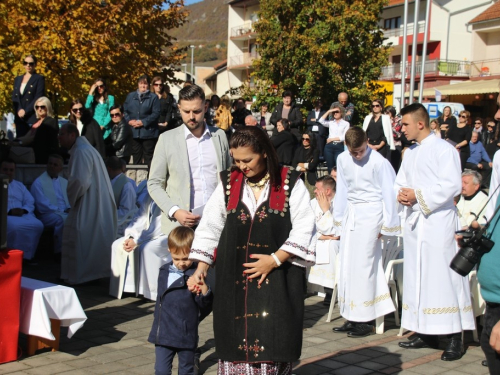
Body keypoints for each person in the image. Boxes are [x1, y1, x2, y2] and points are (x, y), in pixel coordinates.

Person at [189, 126, 316, 374]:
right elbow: (210, 227)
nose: (242, 166)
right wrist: (200, 269)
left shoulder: (291, 182)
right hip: (233, 281)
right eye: (236, 160)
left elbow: (304, 228)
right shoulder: (229, 182)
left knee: (273, 344)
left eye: (248, 160)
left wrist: (274, 260)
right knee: (234, 345)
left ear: (265, 153)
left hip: (277, 281)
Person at [395, 103, 474, 361]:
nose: (401, 128)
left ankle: (453, 337)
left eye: (405, 124)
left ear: (420, 124)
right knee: (419, 277)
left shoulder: (445, 150)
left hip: (438, 222)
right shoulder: (412, 153)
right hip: (417, 224)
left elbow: (451, 186)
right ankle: (424, 330)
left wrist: (417, 195)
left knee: (442, 277)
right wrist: (402, 194)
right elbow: (400, 181)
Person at [331, 127, 400, 337]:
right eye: (353, 152)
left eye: (360, 151)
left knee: (364, 266)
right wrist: (339, 218)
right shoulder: (343, 159)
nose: (357, 156)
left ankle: (366, 319)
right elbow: (342, 188)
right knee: (347, 265)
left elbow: (390, 193)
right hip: (352, 214)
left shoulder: (380, 162)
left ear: (367, 141)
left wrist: (387, 225)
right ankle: (351, 315)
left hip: (372, 215)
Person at [148, 84, 231, 236]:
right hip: (180, 226)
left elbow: (229, 177)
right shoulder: (167, 139)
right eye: (186, 111)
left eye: (197, 111)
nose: (191, 116)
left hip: (216, 222)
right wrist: (174, 211)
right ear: (179, 108)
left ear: (206, 107)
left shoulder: (219, 136)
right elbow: (154, 183)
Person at [148, 226, 213, 375]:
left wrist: (203, 289)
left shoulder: (196, 274)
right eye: (176, 258)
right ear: (169, 250)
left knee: (186, 370)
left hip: (186, 334)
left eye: (186, 258)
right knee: (161, 370)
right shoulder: (164, 271)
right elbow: (160, 301)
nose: (181, 263)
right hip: (163, 333)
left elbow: (205, 304)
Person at [58, 124, 117, 284]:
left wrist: (71, 197)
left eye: (62, 134)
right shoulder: (85, 149)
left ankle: (82, 275)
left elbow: (79, 180)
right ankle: (93, 273)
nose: (59, 137)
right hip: (94, 199)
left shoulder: (81, 151)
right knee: (92, 236)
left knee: (82, 236)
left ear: (72, 135)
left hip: (88, 201)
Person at [110, 189, 169, 300]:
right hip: (147, 233)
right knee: (117, 244)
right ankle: (128, 287)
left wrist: (138, 240)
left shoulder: (171, 193)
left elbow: (160, 224)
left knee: (146, 249)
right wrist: (132, 235)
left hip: (166, 232)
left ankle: (149, 290)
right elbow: (140, 217)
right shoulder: (150, 193)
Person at [2, 160, 44, 261]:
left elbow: (29, 200)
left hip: (23, 214)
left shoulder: (19, 185)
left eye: (11, 170)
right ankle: (12, 257)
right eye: (5, 169)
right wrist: (9, 211)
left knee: (38, 225)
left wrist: (24, 210)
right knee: (15, 227)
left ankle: (28, 256)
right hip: (5, 215)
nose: (8, 172)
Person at [308, 175, 339, 305]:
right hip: (317, 238)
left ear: (327, 191)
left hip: (338, 242)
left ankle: (331, 290)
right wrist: (323, 236)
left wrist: (326, 210)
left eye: (317, 188)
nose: (314, 191)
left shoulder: (340, 202)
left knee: (331, 245)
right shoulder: (313, 203)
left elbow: (336, 232)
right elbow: (309, 227)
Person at [30, 154, 71, 255]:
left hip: (65, 212)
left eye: (55, 164)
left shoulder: (65, 182)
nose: (52, 166)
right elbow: (41, 204)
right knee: (61, 220)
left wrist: (70, 208)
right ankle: (59, 251)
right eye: (50, 163)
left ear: (61, 168)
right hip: (47, 214)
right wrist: (61, 210)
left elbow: (71, 199)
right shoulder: (38, 183)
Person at [124, 75, 161, 165]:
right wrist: (129, 121)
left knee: (149, 158)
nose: (143, 86)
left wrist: (143, 122)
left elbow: (156, 113)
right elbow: (124, 111)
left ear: (148, 85)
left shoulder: (153, 97)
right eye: (141, 84)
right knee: (136, 158)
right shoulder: (130, 96)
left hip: (149, 133)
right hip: (134, 133)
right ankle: (137, 178)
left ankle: (149, 178)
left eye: (145, 84)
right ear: (138, 84)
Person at [11, 96, 59, 164]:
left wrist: (19, 143)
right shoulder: (36, 122)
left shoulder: (50, 121)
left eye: (42, 107)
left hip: (44, 158)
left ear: (48, 107)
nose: (39, 109)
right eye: (37, 107)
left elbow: (33, 138)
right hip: (33, 156)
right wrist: (14, 142)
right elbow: (27, 137)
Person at [12, 54, 45, 138]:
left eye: (31, 63)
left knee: (30, 143)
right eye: (26, 63)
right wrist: (19, 109)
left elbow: (38, 97)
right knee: (20, 144)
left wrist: (26, 111)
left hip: (31, 117)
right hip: (19, 118)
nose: (28, 65)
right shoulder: (18, 79)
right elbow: (15, 97)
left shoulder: (39, 79)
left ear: (35, 65)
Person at [106, 156, 137, 238]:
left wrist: (105, 213)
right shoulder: (110, 181)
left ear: (108, 169)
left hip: (120, 224)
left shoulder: (127, 185)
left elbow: (126, 211)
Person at [319, 104, 349, 173]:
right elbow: (321, 121)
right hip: (329, 146)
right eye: (334, 112)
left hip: (339, 146)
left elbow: (344, 137)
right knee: (330, 167)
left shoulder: (346, 123)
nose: (335, 113)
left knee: (338, 166)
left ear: (341, 112)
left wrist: (332, 139)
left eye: (337, 112)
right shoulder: (331, 122)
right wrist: (329, 111)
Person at [292, 131, 320, 198]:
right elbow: (293, 164)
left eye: (307, 139)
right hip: (299, 178)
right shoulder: (298, 150)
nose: (304, 141)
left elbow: (312, 165)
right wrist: (304, 168)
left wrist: (300, 164)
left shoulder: (315, 151)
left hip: (311, 179)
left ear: (311, 140)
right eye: (303, 139)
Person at [385, 105, 403, 172]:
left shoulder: (398, 120)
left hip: (396, 146)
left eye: (387, 113)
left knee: (394, 166)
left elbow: (397, 135)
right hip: (387, 146)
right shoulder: (385, 121)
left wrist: (389, 125)